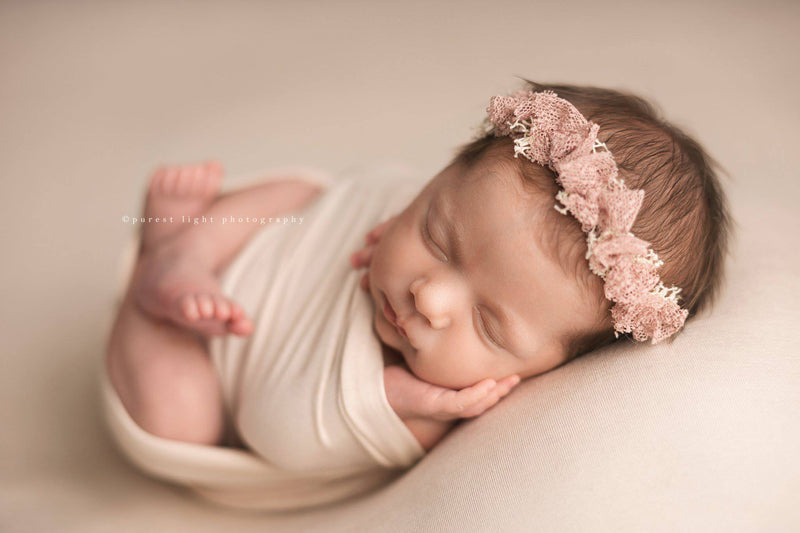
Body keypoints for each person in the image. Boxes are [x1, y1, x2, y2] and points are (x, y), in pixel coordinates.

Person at [104, 80, 730, 501]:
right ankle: (181, 251)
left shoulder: (439, 408)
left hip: (207, 370)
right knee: (302, 197)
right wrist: (386, 218)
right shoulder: (409, 213)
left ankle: (151, 284)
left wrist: (390, 397)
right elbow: (360, 189)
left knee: (179, 416)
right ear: (440, 176)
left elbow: (278, 432)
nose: (430, 297)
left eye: (488, 324)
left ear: (550, 368)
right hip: (252, 252)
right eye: (438, 236)